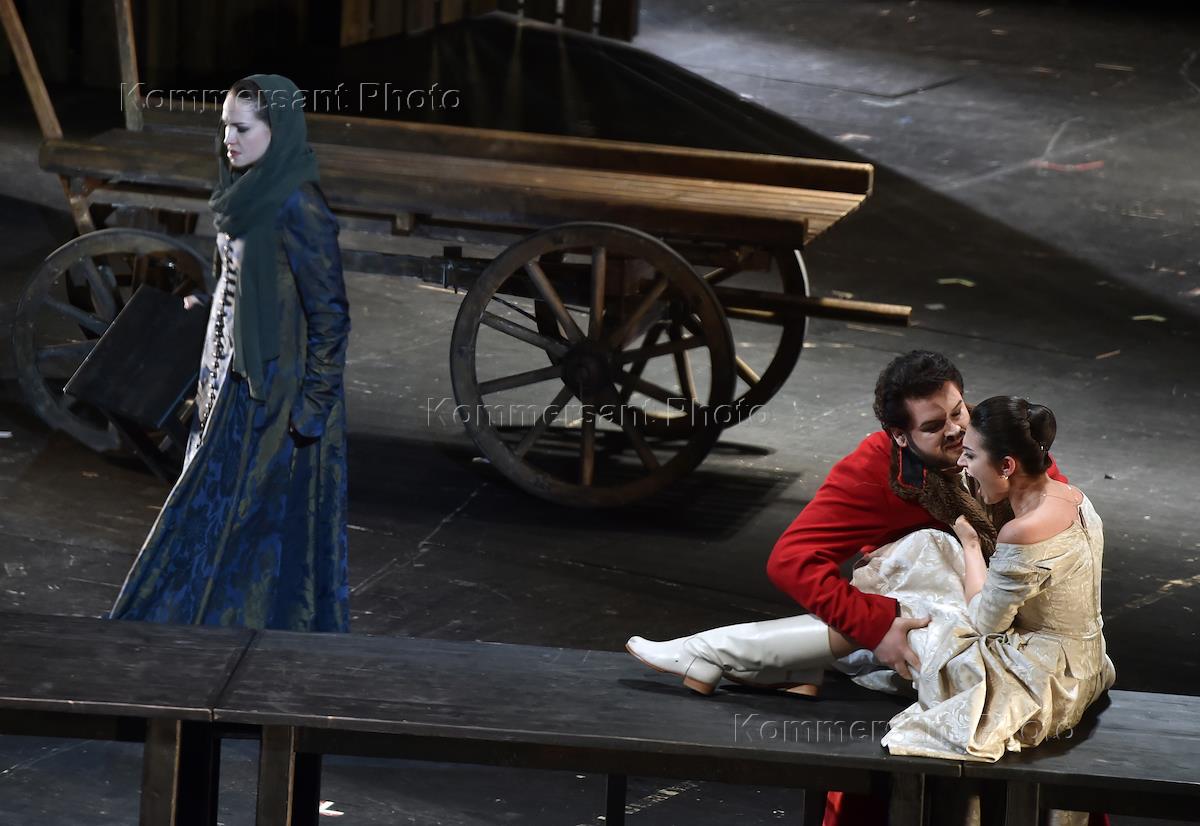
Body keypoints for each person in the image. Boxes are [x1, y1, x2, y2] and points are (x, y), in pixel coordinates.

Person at [110, 74, 350, 632]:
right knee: (210, 512)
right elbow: (237, 273)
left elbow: (331, 315)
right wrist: (210, 300)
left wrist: (313, 408)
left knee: (259, 529)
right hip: (227, 377)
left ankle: (247, 642)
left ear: (277, 130)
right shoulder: (240, 190)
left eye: (241, 129)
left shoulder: (299, 205)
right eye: (225, 127)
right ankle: (195, 629)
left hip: (279, 393)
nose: (228, 140)